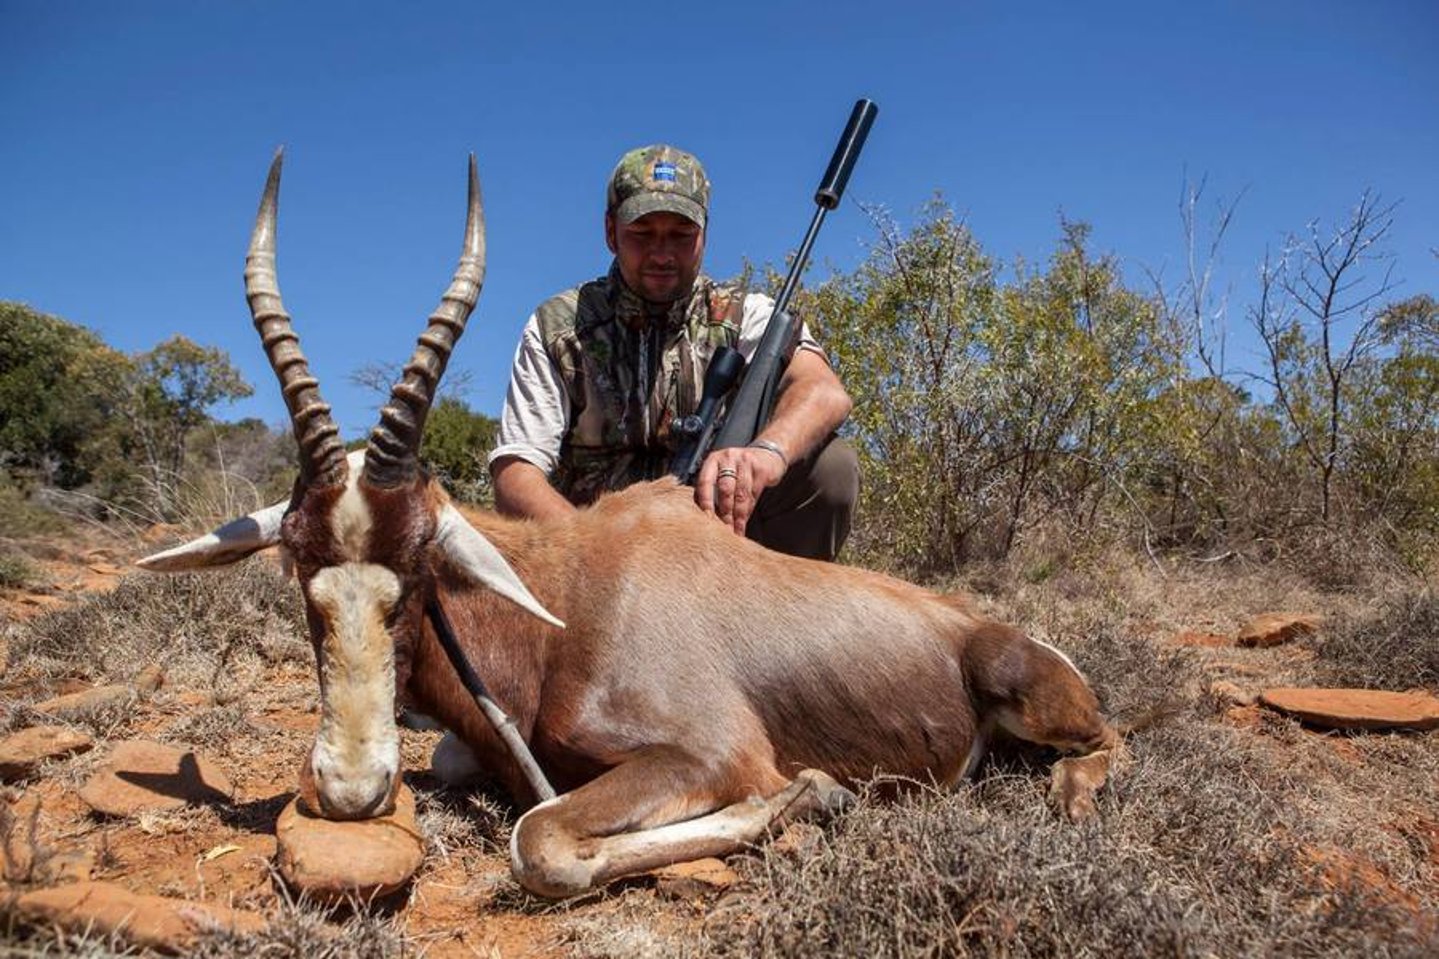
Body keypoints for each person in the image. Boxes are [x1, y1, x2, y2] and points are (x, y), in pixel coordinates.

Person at [487, 144, 858, 561]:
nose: (662, 254)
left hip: (715, 531)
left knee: (833, 467)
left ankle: (782, 617)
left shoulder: (747, 314)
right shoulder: (557, 325)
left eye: (681, 236)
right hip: (592, 551)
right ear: (611, 232)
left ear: (704, 235)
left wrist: (767, 452)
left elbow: (825, 392)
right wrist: (596, 555)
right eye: (642, 234)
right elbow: (516, 471)